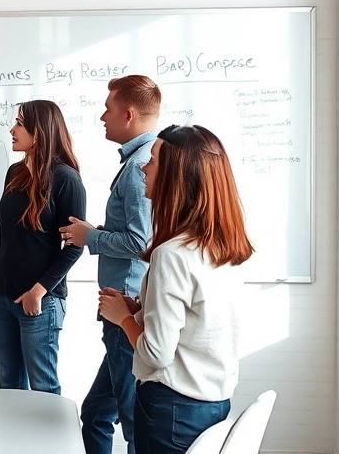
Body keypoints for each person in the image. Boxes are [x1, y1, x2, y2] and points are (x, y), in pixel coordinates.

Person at [97, 125, 253, 454]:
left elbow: (155, 354)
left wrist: (123, 318)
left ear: (174, 177)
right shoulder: (221, 247)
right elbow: (199, 320)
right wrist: (140, 309)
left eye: (151, 161)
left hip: (172, 411)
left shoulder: (171, 255)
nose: (142, 167)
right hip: (214, 404)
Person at [60, 74, 161, 454]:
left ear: (129, 114)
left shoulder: (140, 168)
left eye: (108, 108)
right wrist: (97, 231)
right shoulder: (144, 158)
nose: (103, 116)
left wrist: (92, 238)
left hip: (126, 308)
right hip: (124, 304)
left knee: (132, 422)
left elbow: (140, 241)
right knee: (98, 413)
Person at [0, 100, 86, 394]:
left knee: (43, 388)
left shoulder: (66, 179)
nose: (12, 130)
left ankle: (50, 442)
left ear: (40, 132)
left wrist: (39, 290)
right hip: (1, 297)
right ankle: (13, 442)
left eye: (20, 124)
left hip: (40, 302)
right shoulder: (15, 173)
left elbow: (75, 246)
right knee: (9, 386)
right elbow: (1, 233)